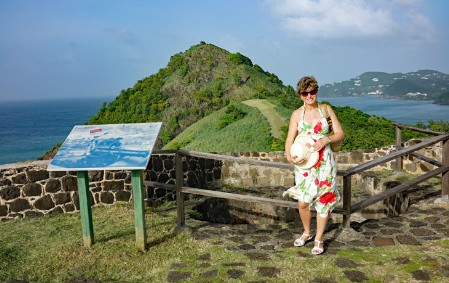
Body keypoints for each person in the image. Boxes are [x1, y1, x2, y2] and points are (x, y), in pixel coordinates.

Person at [283, 76, 344, 255]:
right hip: (305, 164)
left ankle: (318, 239)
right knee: (303, 201)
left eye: (313, 92)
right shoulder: (296, 114)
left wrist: (326, 139)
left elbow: (340, 133)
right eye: (305, 93)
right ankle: (307, 232)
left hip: (325, 162)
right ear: (300, 95)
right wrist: (290, 157)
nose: (310, 96)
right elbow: (289, 139)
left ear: (317, 91)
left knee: (324, 200)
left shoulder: (326, 109)